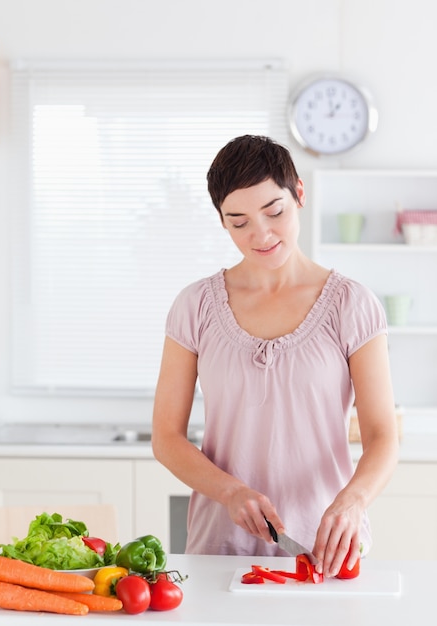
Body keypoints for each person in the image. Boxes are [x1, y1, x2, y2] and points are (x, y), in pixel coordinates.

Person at [151, 135, 398, 578]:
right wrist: (228, 492)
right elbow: (166, 437)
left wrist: (353, 501)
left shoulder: (352, 305)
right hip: (220, 549)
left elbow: (383, 436)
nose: (260, 234)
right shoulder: (195, 306)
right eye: (238, 221)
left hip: (325, 549)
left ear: (299, 194)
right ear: (222, 221)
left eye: (274, 211)